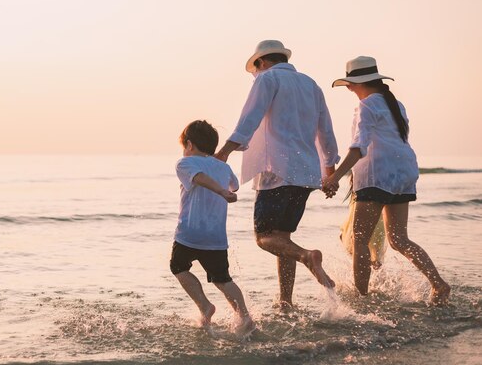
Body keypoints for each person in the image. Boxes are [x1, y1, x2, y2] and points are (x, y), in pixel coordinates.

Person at [215, 40, 340, 308]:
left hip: (276, 171)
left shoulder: (267, 79)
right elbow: (325, 129)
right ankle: (286, 301)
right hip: (307, 174)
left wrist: (225, 150)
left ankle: (308, 257)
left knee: (264, 238)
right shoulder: (310, 84)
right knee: (283, 239)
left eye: (255, 70)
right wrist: (329, 168)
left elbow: (249, 118)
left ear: (261, 62)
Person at [322, 56, 450, 305]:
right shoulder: (396, 104)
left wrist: (335, 177)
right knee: (400, 239)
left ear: (352, 84)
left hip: (377, 176)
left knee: (360, 240)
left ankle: (361, 299)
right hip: (404, 172)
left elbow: (359, 147)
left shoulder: (366, 106)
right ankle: (438, 284)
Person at [171, 120, 255, 336]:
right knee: (222, 279)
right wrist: (223, 185)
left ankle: (205, 307)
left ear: (189, 145)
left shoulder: (184, 163)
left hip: (189, 233)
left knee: (178, 266)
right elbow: (234, 185)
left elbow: (199, 178)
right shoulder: (223, 167)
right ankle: (244, 316)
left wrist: (220, 191)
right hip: (216, 237)